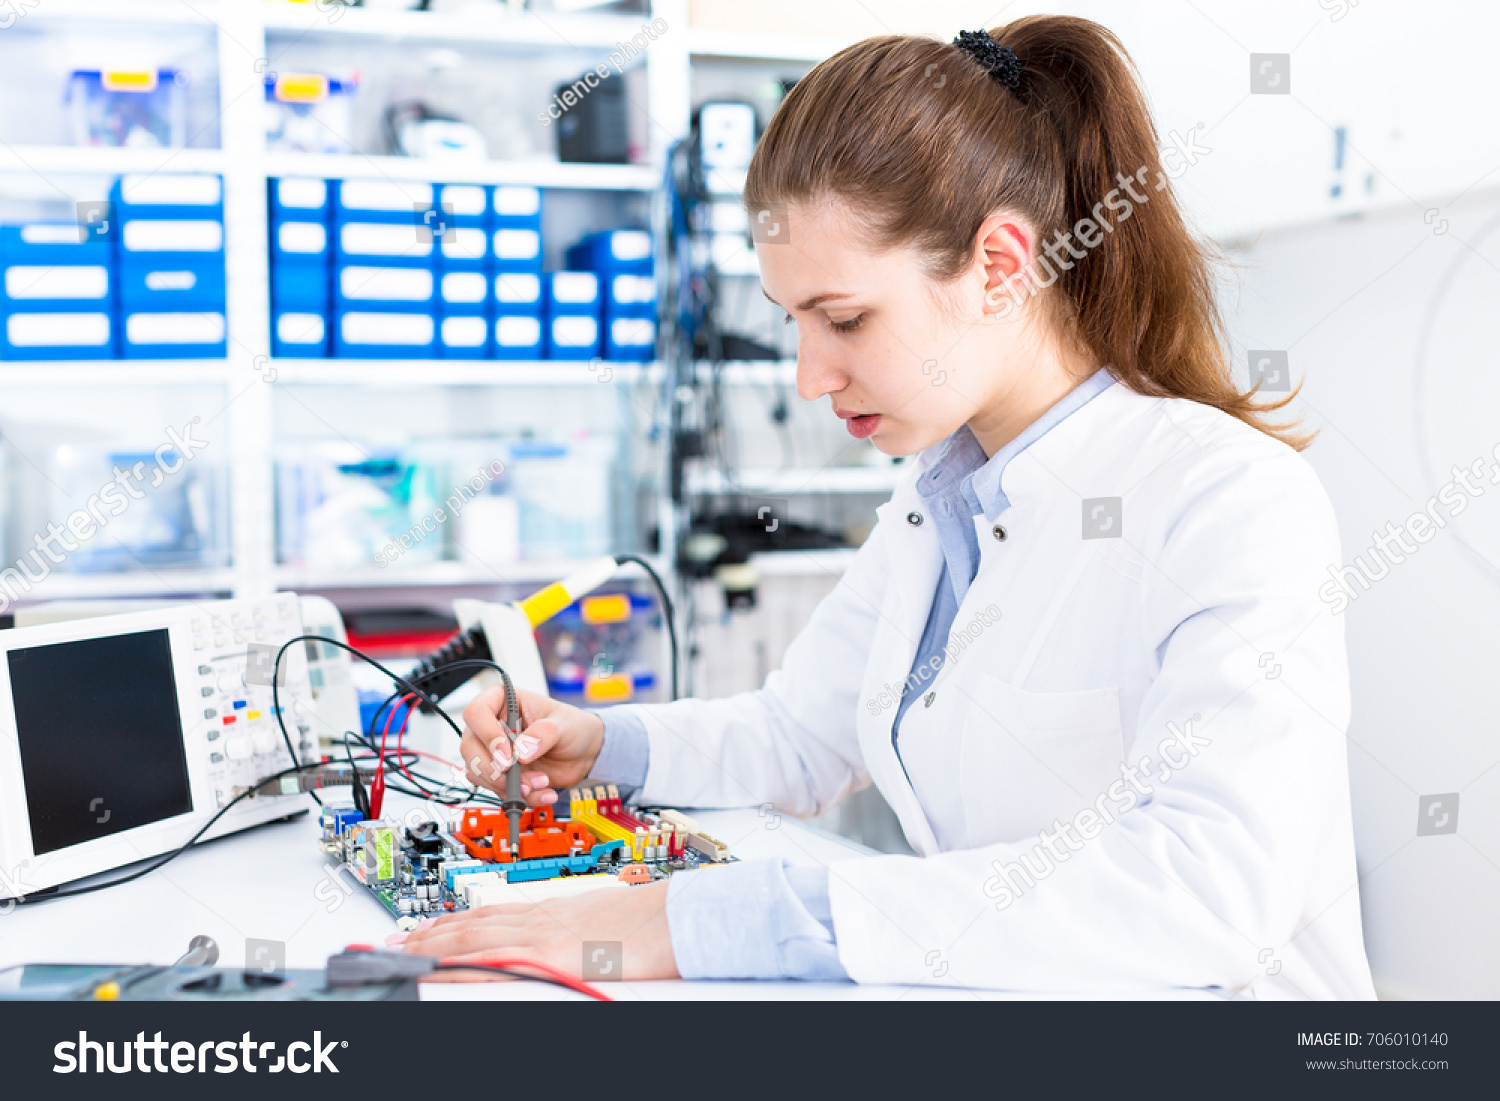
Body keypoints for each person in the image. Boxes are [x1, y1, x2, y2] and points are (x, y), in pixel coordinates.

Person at [399, 16, 1376, 998]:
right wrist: (602, 743)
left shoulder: (1227, 500)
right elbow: (798, 733)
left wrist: (701, 919)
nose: (811, 376)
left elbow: (1204, 896)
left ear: (999, 267)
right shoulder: (937, 498)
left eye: (845, 319)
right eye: (792, 323)